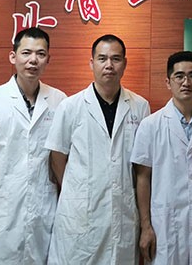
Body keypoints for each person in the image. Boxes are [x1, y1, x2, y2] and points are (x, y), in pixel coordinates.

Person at [0, 27, 66, 264]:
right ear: (13, 57)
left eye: (40, 54)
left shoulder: (59, 101)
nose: (33, 60)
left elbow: (60, 162)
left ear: (48, 59)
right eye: (26, 53)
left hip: (42, 215)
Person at [45, 34, 151, 264]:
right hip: (79, 215)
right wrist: (78, 190)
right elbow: (57, 156)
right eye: (102, 59)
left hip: (123, 213)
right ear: (91, 63)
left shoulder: (140, 106)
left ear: (124, 63)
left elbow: (142, 167)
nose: (109, 65)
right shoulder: (70, 106)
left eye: (116, 59)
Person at [130, 51, 192, 264]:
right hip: (165, 226)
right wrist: (145, 226)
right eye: (179, 76)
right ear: (168, 82)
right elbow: (142, 178)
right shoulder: (150, 125)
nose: (186, 82)